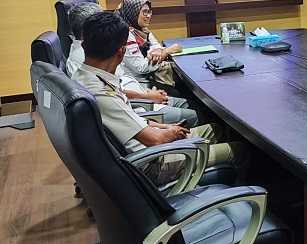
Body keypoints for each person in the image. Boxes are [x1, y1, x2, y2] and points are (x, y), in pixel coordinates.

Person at [72, 11, 248, 185]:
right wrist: (168, 132)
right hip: (154, 161)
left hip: (148, 142)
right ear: (121, 52)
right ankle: (239, 197)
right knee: (240, 149)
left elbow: (130, 120)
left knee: (216, 129)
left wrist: (164, 126)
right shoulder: (101, 93)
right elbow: (155, 140)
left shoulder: (85, 77)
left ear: (85, 45)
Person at [66, 2, 198, 127]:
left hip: (140, 96)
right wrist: (146, 97)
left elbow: (118, 83)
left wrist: (146, 93)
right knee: (197, 113)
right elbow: (111, 98)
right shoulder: (88, 56)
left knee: (193, 104)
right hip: (138, 107)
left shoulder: (95, 50)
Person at [115, 0, 182, 90]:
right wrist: (166, 52)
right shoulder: (125, 34)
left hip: (151, 78)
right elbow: (141, 67)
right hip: (139, 85)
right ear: (133, 13)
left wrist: (159, 51)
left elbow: (156, 46)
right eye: (144, 12)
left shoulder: (141, 30)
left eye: (149, 11)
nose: (149, 15)